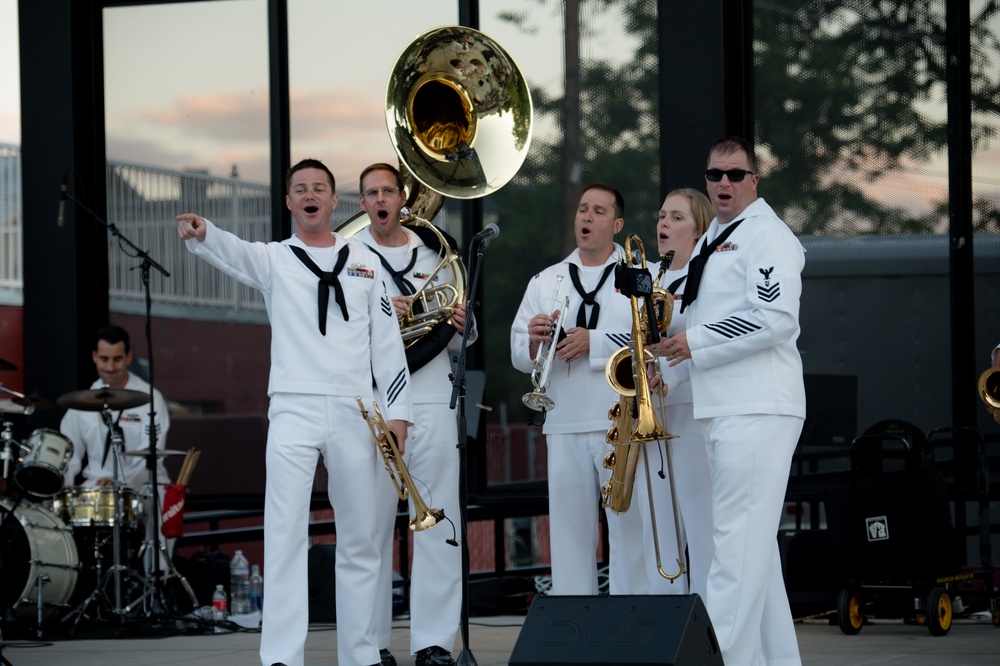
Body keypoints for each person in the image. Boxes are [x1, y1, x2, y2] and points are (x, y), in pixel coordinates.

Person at [177, 158, 413, 666]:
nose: (310, 195)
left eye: (320, 188)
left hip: (357, 409)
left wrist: (398, 414)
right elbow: (234, 254)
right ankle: (282, 656)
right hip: (293, 408)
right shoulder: (275, 259)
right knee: (283, 533)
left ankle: (362, 654)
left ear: (334, 202)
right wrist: (204, 233)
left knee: (360, 537)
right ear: (289, 202)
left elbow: (388, 344)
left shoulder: (364, 259)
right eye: (300, 189)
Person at [662, 137, 805, 666]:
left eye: (735, 174)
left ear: (754, 180)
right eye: (714, 175)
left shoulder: (767, 236)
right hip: (724, 406)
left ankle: (718, 660)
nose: (724, 183)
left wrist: (693, 343)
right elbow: (696, 316)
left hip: (757, 405)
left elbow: (774, 320)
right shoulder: (713, 240)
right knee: (753, 552)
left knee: (733, 551)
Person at [354, 163, 474, 666]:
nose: (381, 199)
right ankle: (374, 644)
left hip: (430, 396)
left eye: (388, 190)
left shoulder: (437, 254)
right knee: (372, 527)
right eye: (371, 193)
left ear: (404, 197)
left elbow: (460, 338)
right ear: (361, 203)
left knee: (438, 522)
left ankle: (434, 644)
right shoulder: (350, 257)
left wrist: (465, 326)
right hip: (375, 402)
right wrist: (382, 314)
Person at [510, 183, 637, 596]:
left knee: (629, 532)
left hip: (622, 424)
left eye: (599, 211)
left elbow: (653, 337)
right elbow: (517, 350)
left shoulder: (641, 274)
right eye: (583, 209)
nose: (587, 217)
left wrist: (594, 343)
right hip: (563, 422)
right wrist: (531, 340)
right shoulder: (546, 280)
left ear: (617, 224)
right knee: (568, 538)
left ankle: (632, 626)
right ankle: (575, 631)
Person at [636, 188, 715, 599]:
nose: (663, 224)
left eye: (676, 218)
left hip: (693, 409)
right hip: (654, 408)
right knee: (657, 527)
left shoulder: (710, 274)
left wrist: (668, 370)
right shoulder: (649, 278)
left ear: (699, 228)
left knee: (701, 525)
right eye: (661, 215)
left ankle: (708, 628)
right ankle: (662, 619)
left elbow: (701, 340)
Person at [60, 324, 173, 563]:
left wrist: (121, 481)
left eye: (117, 359)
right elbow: (69, 456)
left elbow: (151, 454)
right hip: (96, 486)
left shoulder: (150, 398)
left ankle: (159, 583)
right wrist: (61, 491)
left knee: (161, 512)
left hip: (145, 486)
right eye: (104, 359)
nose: (110, 367)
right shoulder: (81, 402)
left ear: (128, 357)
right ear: (94, 357)